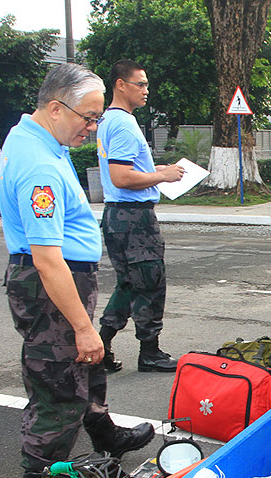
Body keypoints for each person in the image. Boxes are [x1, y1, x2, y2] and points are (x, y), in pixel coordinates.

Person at [0, 63, 155, 478]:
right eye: (88, 118)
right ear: (54, 108)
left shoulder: (38, 138)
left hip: (62, 280)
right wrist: (85, 328)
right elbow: (48, 261)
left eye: (98, 117)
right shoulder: (39, 167)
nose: (93, 127)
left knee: (87, 366)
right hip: (53, 285)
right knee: (58, 390)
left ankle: (105, 434)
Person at [95, 60, 184, 373]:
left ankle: (100, 343)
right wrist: (162, 177)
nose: (146, 91)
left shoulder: (111, 120)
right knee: (149, 283)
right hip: (133, 219)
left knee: (130, 285)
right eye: (140, 84)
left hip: (120, 216)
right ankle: (150, 352)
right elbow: (121, 177)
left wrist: (155, 171)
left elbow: (125, 170)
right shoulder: (122, 124)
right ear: (121, 84)